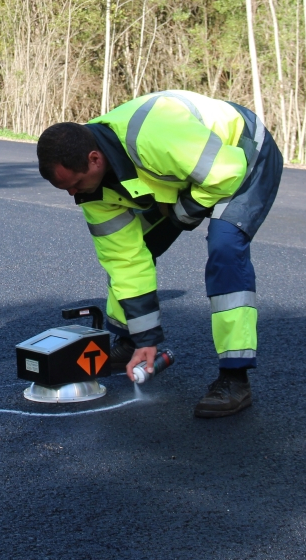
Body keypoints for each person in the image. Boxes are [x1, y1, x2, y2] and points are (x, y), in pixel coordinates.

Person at [36, 90, 283, 417]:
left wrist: (181, 214)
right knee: (138, 247)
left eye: (76, 184)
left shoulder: (154, 135)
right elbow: (126, 261)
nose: (72, 195)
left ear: (94, 159)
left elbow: (226, 172)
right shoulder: (91, 184)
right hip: (183, 171)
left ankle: (234, 378)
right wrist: (146, 337)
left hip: (240, 153)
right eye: (65, 188)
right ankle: (129, 341)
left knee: (225, 245)